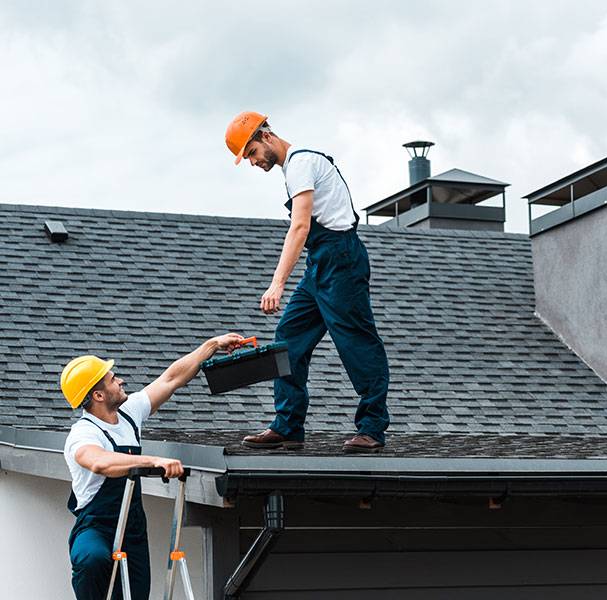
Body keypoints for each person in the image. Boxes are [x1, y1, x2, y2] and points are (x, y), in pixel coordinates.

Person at [225, 111, 389, 453]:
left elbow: (300, 227)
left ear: (266, 137)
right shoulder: (294, 169)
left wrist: (277, 283)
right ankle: (288, 426)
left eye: (252, 153)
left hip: (340, 260)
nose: (254, 163)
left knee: (356, 342)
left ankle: (372, 428)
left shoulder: (301, 164)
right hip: (321, 262)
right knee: (289, 339)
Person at [61, 333, 243, 600]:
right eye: (113, 379)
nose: (120, 380)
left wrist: (213, 345)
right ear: (98, 395)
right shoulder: (83, 433)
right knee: (92, 559)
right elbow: (99, 462)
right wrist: (153, 460)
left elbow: (171, 379)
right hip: (96, 527)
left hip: (133, 529)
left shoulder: (129, 414)